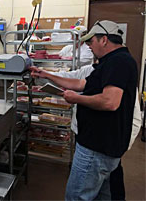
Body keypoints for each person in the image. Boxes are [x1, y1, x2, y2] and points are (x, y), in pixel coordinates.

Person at [30, 20, 138, 200]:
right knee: (102, 196)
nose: (88, 45)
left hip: (96, 147)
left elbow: (110, 102)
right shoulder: (108, 62)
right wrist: (46, 75)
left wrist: (75, 99)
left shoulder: (119, 62)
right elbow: (81, 83)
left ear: (104, 40)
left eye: (91, 41)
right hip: (103, 146)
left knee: (77, 196)